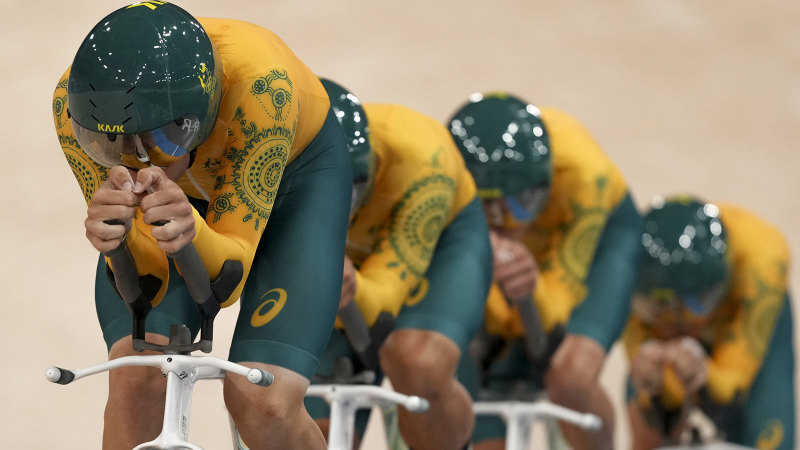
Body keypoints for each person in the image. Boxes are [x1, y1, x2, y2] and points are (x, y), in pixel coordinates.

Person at [51, 3, 353, 449]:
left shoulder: (263, 89)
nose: (140, 159)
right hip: (193, 182)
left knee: (262, 401)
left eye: (161, 138)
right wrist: (117, 241)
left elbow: (225, 281)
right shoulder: (73, 108)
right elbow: (146, 281)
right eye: (112, 146)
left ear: (204, 110)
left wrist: (190, 225)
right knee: (136, 378)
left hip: (298, 177)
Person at [303, 79, 493, 450]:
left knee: (418, 364)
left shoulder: (424, 156)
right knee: (298, 426)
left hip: (441, 247)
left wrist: (345, 284)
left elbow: (382, 303)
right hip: (348, 257)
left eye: (351, 188)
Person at [448, 93, 643, 450]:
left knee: (571, 375)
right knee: (467, 359)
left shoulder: (586, 176)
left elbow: (556, 313)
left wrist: (527, 286)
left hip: (603, 240)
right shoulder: (439, 179)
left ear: (544, 189)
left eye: (520, 206)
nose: (505, 224)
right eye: (483, 208)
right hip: (530, 240)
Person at [624, 196, 795, 450]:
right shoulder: (625, 275)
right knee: (645, 404)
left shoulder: (763, 262)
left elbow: (728, 391)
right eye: (656, 308)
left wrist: (700, 373)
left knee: (767, 436)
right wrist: (657, 382)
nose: (684, 324)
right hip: (675, 317)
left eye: (696, 304)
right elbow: (660, 405)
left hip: (740, 314)